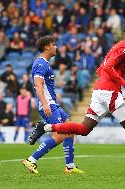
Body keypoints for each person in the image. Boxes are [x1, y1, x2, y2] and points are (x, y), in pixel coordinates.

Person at [29, 22, 125, 179]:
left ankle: (46, 127)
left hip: (100, 91)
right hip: (109, 91)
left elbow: (101, 68)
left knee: (84, 129)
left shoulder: (118, 47)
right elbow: (107, 68)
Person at [23, 35, 83, 174]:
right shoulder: (40, 64)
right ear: (47, 47)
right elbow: (37, 85)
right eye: (54, 44)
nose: (56, 47)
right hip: (48, 105)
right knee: (59, 136)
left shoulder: (45, 63)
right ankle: (31, 160)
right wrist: (45, 104)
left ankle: (70, 166)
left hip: (53, 103)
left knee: (69, 128)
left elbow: (44, 86)